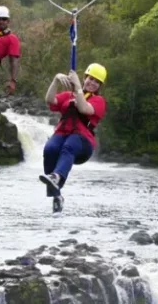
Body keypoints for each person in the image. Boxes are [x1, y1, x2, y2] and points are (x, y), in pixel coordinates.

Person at [39, 63, 108, 213]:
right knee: (50, 149)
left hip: (83, 142)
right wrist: (56, 80)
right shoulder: (68, 95)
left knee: (69, 146)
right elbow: (50, 100)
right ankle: (57, 194)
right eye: (90, 79)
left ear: (99, 86)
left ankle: (56, 177)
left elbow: (84, 108)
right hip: (62, 134)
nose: (92, 83)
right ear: (85, 78)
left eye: (96, 82)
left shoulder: (99, 101)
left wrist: (77, 86)